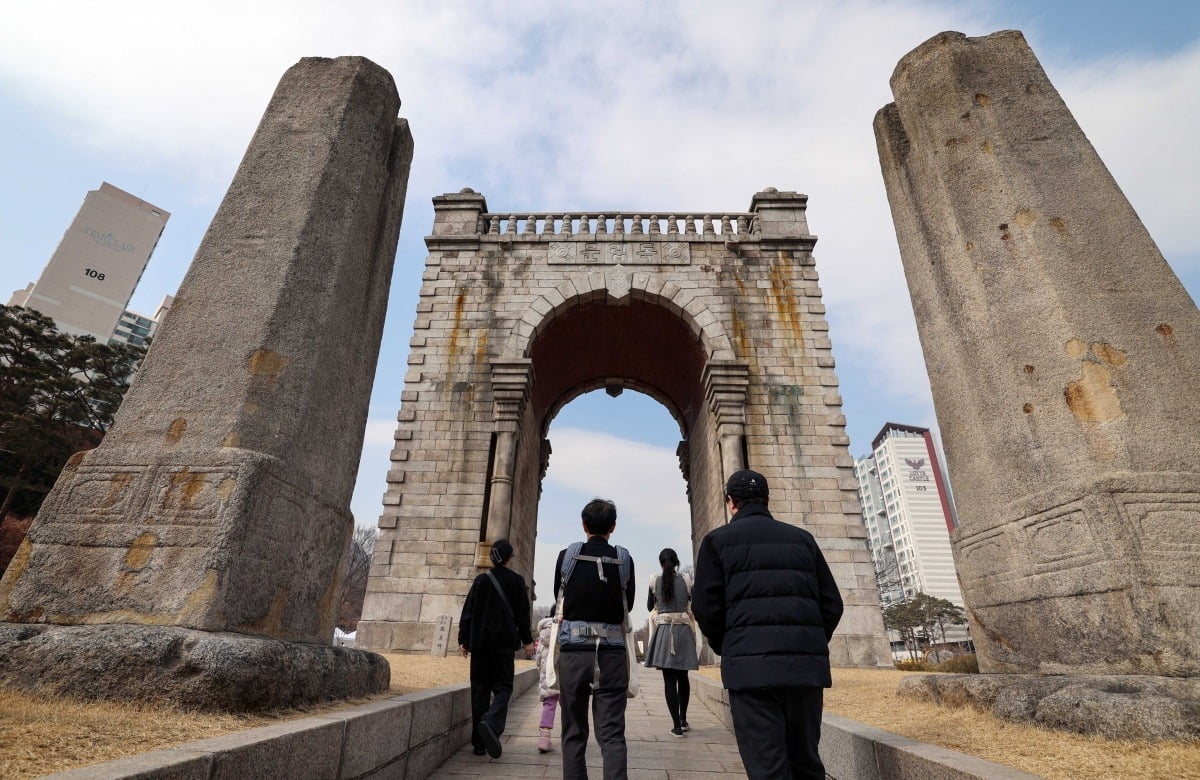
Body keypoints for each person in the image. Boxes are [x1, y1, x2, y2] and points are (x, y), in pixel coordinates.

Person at [692, 470, 844, 780]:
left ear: (730, 503)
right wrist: (808, 643)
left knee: (767, 769)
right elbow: (832, 604)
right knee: (807, 765)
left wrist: (730, 646)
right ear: (768, 499)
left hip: (751, 674)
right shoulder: (803, 539)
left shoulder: (716, 542)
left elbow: (705, 609)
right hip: (804, 673)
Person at [553, 498, 636, 780]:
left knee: (574, 731)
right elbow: (629, 604)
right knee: (612, 734)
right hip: (611, 655)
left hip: (574, 653)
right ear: (613, 527)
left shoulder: (567, 557)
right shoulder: (624, 559)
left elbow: (559, 598)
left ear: (584, 524)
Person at [458, 538, 535, 759]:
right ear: (509, 558)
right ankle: (491, 723)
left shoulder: (481, 581)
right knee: (503, 690)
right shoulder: (516, 581)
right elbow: (522, 614)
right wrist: (527, 640)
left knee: (479, 691)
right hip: (503, 646)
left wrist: (463, 639)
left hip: (480, 645)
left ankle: (479, 744)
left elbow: (468, 610)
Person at [643, 547, 699, 737]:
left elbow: (650, 606)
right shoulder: (686, 580)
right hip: (683, 630)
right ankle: (683, 720)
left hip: (665, 631)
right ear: (677, 563)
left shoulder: (654, 581)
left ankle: (676, 726)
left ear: (661, 563)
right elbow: (693, 602)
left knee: (669, 680)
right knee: (683, 677)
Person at [534, 612, 559, 753]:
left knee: (549, 704)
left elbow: (538, 658)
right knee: (570, 706)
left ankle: (544, 738)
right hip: (565, 674)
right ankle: (570, 736)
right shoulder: (567, 629)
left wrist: (541, 673)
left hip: (548, 676)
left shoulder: (543, 634)